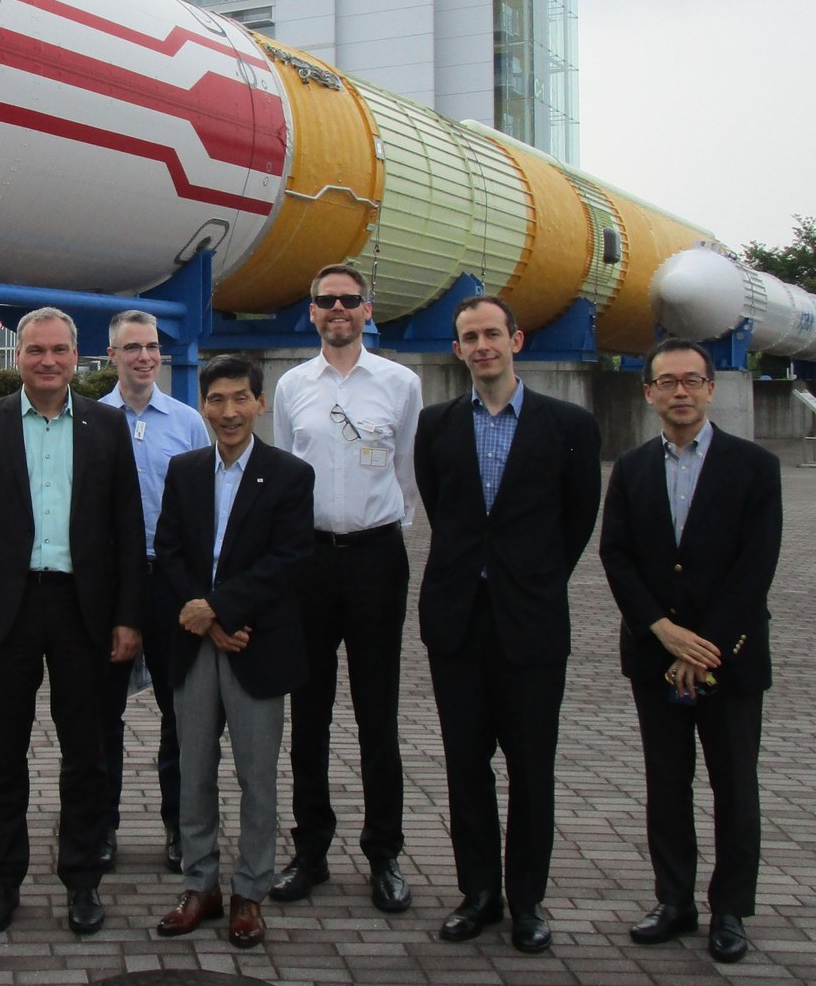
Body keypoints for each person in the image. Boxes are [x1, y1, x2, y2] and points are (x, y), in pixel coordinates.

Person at [0, 306, 146, 935]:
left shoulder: (108, 426)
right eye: (36, 350)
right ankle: (4, 877)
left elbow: (127, 530)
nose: (48, 361)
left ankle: (82, 878)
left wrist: (128, 617)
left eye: (59, 350)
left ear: (77, 354)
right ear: (18, 356)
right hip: (8, 612)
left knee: (86, 754)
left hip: (84, 612)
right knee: (3, 755)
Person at [413, 294, 601, 953]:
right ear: (458, 349)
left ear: (517, 339)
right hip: (458, 621)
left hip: (531, 623)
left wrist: (532, 576)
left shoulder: (570, 424)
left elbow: (578, 518)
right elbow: (444, 509)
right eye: (470, 336)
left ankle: (527, 900)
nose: (482, 345)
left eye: (493, 332)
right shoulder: (436, 426)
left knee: (531, 768)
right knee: (466, 765)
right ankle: (479, 893)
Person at [600, 339, 782, 965]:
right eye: (666, 382)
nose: (680, 392)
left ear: (711, 388)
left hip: (727, 659)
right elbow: (616, 557)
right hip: (656, 657)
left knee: (734, 786)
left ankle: (730, 908)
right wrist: (662, 631)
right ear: (648, 392)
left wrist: (703, 649)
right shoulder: (631, 467)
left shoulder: (754, 466)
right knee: (666, 784)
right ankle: (674, 900)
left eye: (692, 381)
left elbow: (755, 566)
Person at [266, 264, 422, 912]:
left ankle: (384, 852)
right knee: (310, 712)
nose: (337, 309)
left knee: (377, 711)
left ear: (367, 309)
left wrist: (378, 527)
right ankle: (311, 849)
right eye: (326, 300)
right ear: (311, 311)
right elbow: (281, 468)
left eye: (348, 300)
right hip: (309, 562)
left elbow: (407, 474)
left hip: (376, 559)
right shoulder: (291, 386)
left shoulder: (401, 384)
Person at [151, 355, 314, 949]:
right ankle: (201, 886)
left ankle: (250, 892)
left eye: (240, 398)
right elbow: (169, 550)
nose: (228, 411)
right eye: (216, 400)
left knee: (256, 779)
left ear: (260, 403)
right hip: (196, 645)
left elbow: (288, 560)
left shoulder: (291, 475)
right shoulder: (185, 470)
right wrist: (206, 615)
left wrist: (222, 610)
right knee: (194, 773)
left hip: (256, 643)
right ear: (203, 405)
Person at [95, 309, 210, 873]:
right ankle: (101, 828)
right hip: (110, 584)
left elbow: (205, 505)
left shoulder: (189, 423)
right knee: (102, 712)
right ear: (111, 355)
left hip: (170, 581)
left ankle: (178, 826)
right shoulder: (91, 420)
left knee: (179, 710)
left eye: (152, 346)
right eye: (132, 347)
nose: (144, 356)